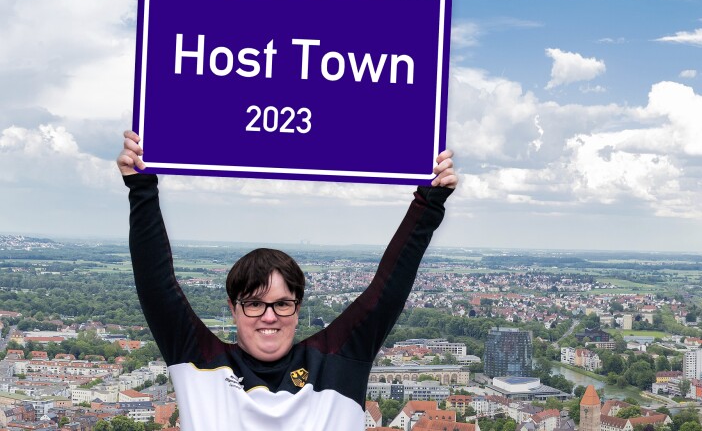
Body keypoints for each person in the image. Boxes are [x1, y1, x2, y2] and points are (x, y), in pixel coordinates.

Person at [117, 130, 457, 430]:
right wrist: (141, 187)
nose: (269, 316)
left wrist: (430, 201)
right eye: (253, 304)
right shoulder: (199, 362)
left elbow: (387, 288)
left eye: (282, 303)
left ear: (297, 309)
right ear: (233, 309)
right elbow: (156, 284)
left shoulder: (337, 361)